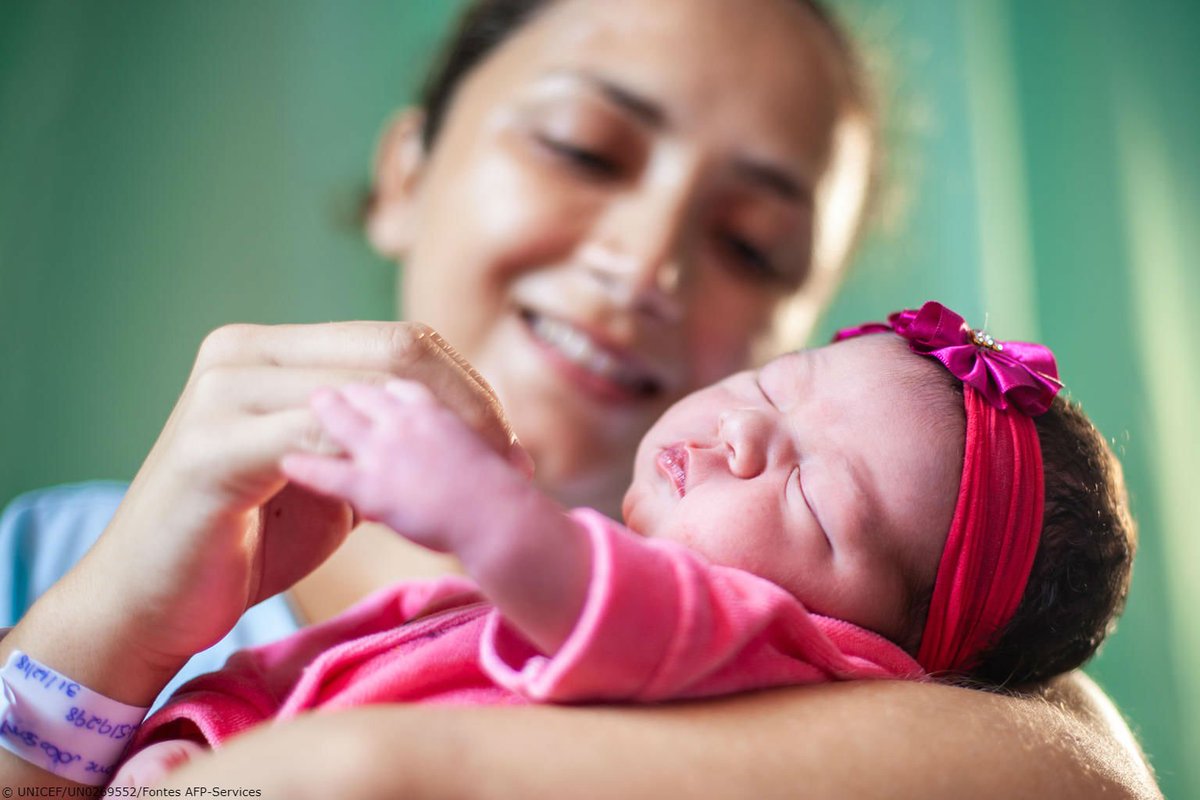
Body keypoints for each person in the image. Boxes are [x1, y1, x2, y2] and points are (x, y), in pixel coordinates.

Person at [0, 0, 1160, 797]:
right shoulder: (43, 556)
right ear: (404, 173)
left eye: (753, 246)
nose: (648, 263)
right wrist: (99, 641)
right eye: (584, 147)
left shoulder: (898, 689)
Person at [110, 302, 1134, 787]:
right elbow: (302, 669)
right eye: (780, 382)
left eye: (822, 501)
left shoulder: (780, 660)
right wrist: (197, 732)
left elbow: (635, 607)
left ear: (874, 651)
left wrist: (484, 512)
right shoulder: (469, 605)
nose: (745, 431)